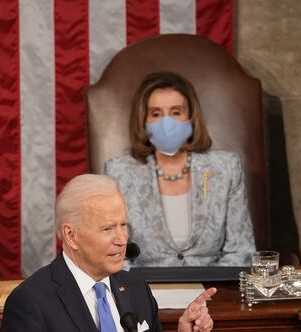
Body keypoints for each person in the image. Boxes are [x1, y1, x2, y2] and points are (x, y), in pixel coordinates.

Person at [0, 174, 215, 332]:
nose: (122, 239)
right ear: (71, 236)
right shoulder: (32, 301)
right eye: (107, 228)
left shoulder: (135, 289)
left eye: (123, 225)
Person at [104, 71, 255, 267]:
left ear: (191, 117)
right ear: (143, 121)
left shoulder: (225, 168)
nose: (167, 123)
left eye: (176, 112)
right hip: (145, 290)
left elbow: (241, 250)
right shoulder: (119, 172)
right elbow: (114, 253)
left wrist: (209, 290)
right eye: (156, 114)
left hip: (213, 290)